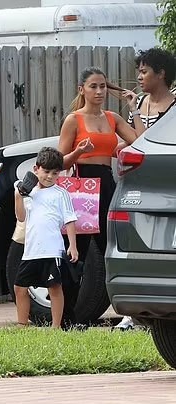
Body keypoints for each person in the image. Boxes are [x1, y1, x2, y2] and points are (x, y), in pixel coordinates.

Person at [114, 48, 176, 331]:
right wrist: (135, 110)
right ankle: (132, 313)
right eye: (138, 71)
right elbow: (135, 141)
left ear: (161, 73)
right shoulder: (140, 104)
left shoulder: (173, 107)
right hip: (141, 180)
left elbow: (147, 140)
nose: (139, 77)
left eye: (144, 71)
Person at [9, 138, 93, 330]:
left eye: (55, 173)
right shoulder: (27, 192)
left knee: (55, 287)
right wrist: (18, 196)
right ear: (36, 169)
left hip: (52, 249)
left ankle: (56, 326)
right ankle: (22, 325)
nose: (49, 177)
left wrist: (72, 245)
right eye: (46, 172)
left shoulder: (60, 193)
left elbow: (69, 220)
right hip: (31, 250)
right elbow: (21, 217)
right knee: (19, 287)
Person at [58, 67, 138, 261]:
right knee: (77, 249)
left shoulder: (112, 118)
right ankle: (66, 290)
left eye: (102, 86)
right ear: (81, 89)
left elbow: (139, 139)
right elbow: (58, 162)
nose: (99, 91)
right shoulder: (74, 119)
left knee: (109, 244)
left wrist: (134, 109)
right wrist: (79, 152)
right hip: (82, 184)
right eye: (93, 86)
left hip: (106, 183)